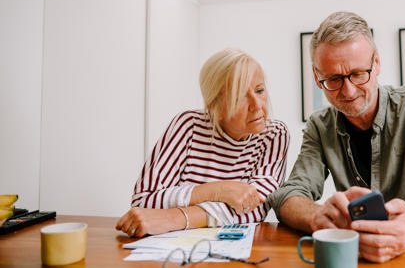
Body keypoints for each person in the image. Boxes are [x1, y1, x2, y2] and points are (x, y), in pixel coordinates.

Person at [268, 11, 405, 263]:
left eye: (359, 73)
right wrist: (317, 217)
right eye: (334, 79)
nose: (348, 91)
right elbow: (289, 195)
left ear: (377, 63)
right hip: (356, 256)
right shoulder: (320, 125)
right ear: (318, 77)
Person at [116, 48, 289, 237]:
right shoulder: (188, 126)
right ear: (215, 106)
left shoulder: (274, 135)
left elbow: (256, 208)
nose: (257, 105)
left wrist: (176, 218)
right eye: (239, 97)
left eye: (260, 90)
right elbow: (143, 201)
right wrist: (220, 190)